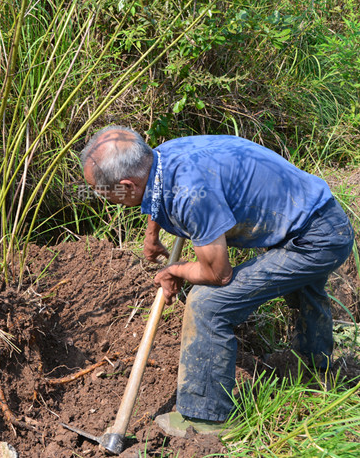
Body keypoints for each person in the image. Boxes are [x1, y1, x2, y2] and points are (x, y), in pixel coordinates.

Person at [80, 125, 354, 437]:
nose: (100, 196)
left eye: (102, 191)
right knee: (303, 286)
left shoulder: (188, 194)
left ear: (126, 185)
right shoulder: (162, 157)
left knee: (207, 303)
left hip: (318, 238)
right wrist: (152, 233)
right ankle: (312, 367)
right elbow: (157, 190)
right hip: (308, 215)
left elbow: (218, 274)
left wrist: (175, 271)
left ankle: (206, 418)